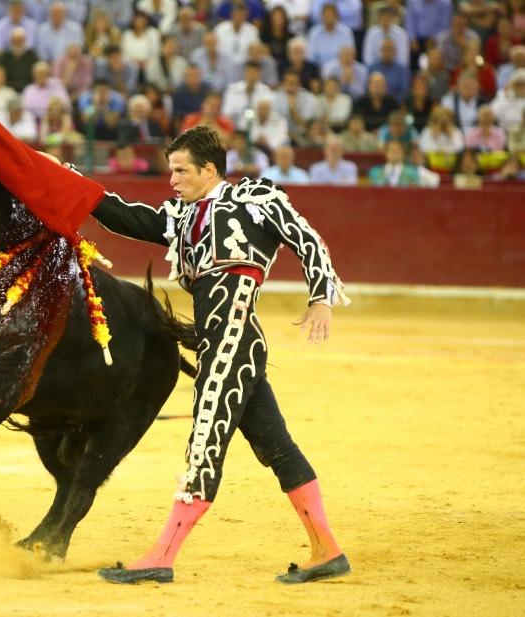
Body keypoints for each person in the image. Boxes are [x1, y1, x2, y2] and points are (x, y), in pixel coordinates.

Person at [85, 124, 350, 585]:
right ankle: (326, 549)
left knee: (204, 439)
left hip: (233, 344)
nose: (172, 181)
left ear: (210, 169)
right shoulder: (182, 218)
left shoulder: (255, 201)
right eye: (171, 171)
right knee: (276, 445)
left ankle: (162, 555)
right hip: (225, 344)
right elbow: (125, 216)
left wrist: (321, 298)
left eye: (181, 171)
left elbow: (308, 240)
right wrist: (74, 184)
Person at [0, 27, 40, 92]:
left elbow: (36, 75)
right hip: (8, 90)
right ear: (11, 41)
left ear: (25, 41)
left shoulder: (32, 56)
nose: (18, 43)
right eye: (15, 41)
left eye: (20, 41)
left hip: (29, 90)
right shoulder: (4, 56)